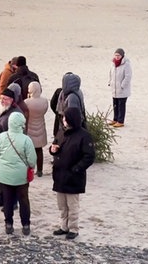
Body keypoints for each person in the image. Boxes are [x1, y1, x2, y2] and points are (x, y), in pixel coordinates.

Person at [49, 107, 95, 240]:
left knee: (72, 205)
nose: (63, 120)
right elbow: (55, 147)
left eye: (65, 118)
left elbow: (89, 156)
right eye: (63, 118)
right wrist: (53, 150)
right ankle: (64, 226)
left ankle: (73, 228)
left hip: (74, 177)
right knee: (62, 205)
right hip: (59, 175)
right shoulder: (61, 132)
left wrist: (76, 168)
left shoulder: (84, 136)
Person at [0, 112, 36, 236]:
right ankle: (26, 225)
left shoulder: (2, 136)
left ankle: (9, 224)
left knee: (7, 200)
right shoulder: (26, 140)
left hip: (4, 175)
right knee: (23, 200)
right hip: (21, 176)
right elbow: (32, 160)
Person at [24, 81, 49, 177]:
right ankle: (40, 170)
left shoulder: (27, 102)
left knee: (29, 152)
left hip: (30, 128)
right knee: (39, 150)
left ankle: (30, 170)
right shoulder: (44, 101)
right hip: (41, 127)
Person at [55, 72, 86, 143]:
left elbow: (73, 116)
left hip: (69, 127)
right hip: (65, 124)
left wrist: (67, 127)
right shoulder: (74, 92)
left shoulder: (72, 97)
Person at [108, 48, 132, 127]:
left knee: (121, 105)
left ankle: (120, 121)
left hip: (122, 89)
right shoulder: (113, 63)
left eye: (118, 55)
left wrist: (122, 86)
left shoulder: (126, 64)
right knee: (115, 104)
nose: (117, 57)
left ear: (122, 56)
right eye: (116, 55)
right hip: (114, 88)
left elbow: (128, 76)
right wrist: (110, 82)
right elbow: (110, 73)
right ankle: (115, 119)